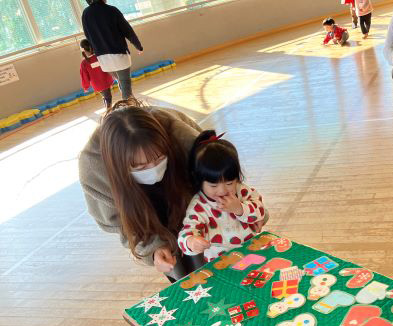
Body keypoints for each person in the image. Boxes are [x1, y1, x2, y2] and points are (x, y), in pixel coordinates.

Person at [79, 100, 265, 281]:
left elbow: (221, 178)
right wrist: (153, 250)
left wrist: (246, 211)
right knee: (183, 274)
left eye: (160, 159)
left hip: (192, 204)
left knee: (216, 266)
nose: (153, 169)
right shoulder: (95, 172)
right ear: (119, 167)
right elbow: (123, 225)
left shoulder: (185, 139)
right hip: (148, 216)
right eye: (140, 167)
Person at [178, 131, 267, 262]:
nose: (222, 190)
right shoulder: (199, 206)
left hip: (252, 251)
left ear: (237, 178)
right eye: (213, 185)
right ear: (199, 181)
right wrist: (191, 241)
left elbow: (261, 211)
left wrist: (240, 208)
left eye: (229, 183)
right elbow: (187, 231)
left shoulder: (241, 190)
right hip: (221, 262)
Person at [82, 0, 143, 101]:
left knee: (122, 82)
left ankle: (131, 104)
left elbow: (88, 35)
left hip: (103, 60)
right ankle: (128, 107)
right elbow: (127, 30)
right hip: (119, 55)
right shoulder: (111, 10)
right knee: (125, 84)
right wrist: (138, 46)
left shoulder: (85, 14)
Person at [79, 39, 114, 110]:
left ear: (83, 50)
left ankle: (108, 109)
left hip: (97, 85)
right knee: (108, 98)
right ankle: (108, 111)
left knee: (106, 97)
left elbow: (84, 76)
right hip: (106, 81)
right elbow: (109, 66)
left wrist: (85, 86)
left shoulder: (84, 63)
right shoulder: (99, 56)